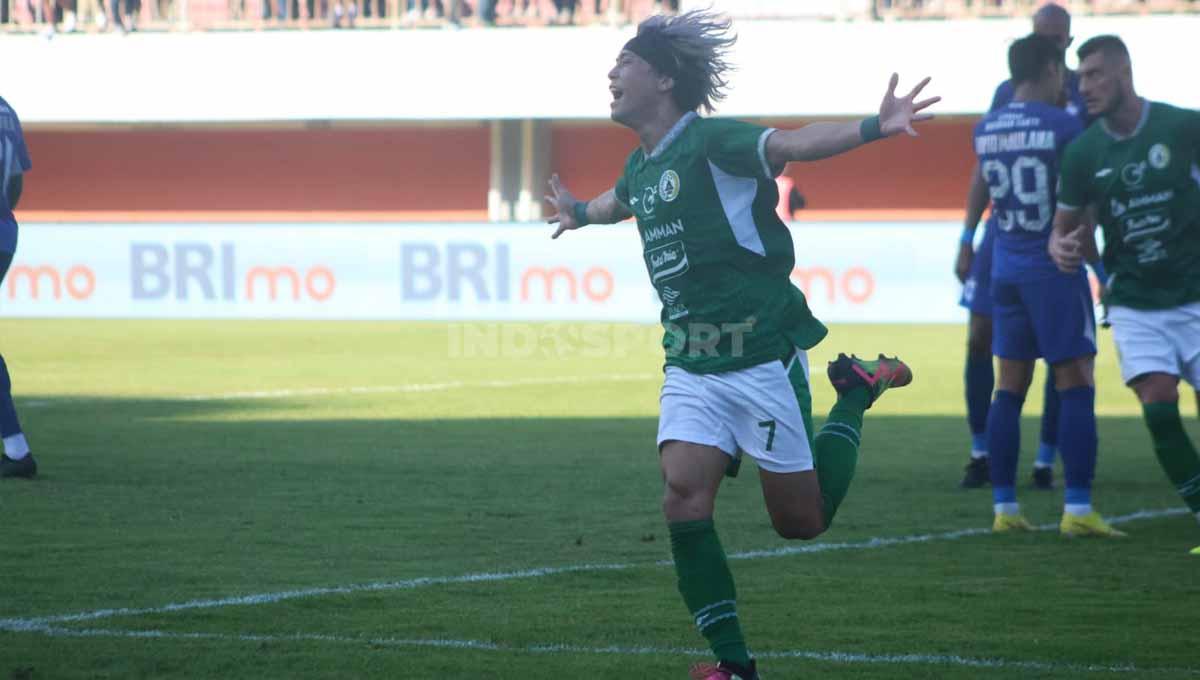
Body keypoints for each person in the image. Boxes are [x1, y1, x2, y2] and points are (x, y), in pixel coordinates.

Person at [543, 11, 935, 679]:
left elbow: (794, 144)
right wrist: (578, 213)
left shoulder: (714, 140)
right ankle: (735, 667)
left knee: (800, 524)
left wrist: (874, 126)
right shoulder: (642, 166)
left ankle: (856, 397)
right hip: (692, 360)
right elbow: (619, 202)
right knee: (681, 496)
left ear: (663, 78)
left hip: (759, 355)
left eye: (625, 63)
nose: (612, 73)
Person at [1050, 35, 1200, 554]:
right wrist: (1063, 249)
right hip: (1133, 300)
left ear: (1124, 73)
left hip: (1195, 292)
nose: (1083, 86)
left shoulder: (1182, 127)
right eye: (1080, 76)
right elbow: (1062, 228)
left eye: (1094, 75)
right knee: (1159, 407)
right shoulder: (1083, 151)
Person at [972, 34, 1122, 537]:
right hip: (1054, 269)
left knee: (1008, 388)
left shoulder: (986, 127)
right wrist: (1102, 273)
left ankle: (1004, 508)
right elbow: (1078, 209)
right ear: (1053, 69)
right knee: (1076, 381)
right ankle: (1078, 510)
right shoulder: (1065, 125)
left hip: (1005, 268)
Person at [955, 2, 1097, 490]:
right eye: (1045, 37)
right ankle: (986, 456)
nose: (1053, 45)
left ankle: (1043, 460)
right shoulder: (1018, 99)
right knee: (994, 342)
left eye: (1060, 38)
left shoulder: (1085, 90)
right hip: (1016, 241)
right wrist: (968, 235)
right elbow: (982, 171)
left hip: (1044, 240)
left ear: (1068, 44)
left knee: (1048, 363)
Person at [0, 96, 37, 480]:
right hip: (5, 229)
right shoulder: (5, 109)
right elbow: (15, 180)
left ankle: (17, 449)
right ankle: (15, 448)